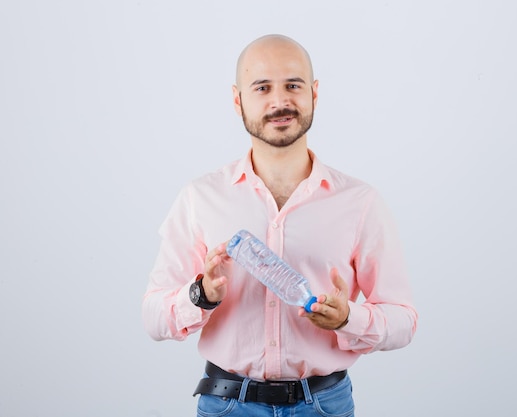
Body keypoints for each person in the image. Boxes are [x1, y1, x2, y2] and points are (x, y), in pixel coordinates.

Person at [142, 34, 418, 417]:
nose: (279, 101)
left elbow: (404, 319)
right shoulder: (200, 198)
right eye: (262, 87)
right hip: (227, 404)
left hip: (324, 406)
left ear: (314, 93)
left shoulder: (360, 202)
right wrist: (201, 296)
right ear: (238, 100)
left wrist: (348, 319)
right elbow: (153, 316)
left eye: (293, 85)